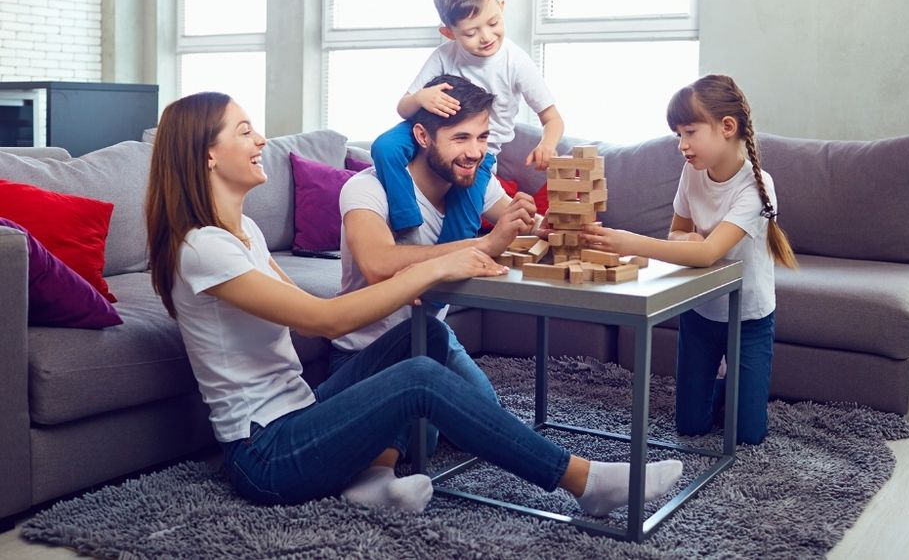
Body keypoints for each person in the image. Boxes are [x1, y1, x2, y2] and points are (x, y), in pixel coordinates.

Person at [144, 91, 682, 516]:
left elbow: (306, 304)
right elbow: (324, 319)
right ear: (207, 153)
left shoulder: (244, 233)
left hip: (300, 412)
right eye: (244, 131)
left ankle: (369, 479)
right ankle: (583, 481)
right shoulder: (203, 248)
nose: (262, 139)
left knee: (418, 338)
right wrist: (432, 267)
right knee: (420, 378)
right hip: (264, 454)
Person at [580, 74, 798, 445]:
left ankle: (739, 387)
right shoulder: (691, 173)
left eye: (690, 132)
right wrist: (689, 239)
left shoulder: (757, 185)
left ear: (727, 127)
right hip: (700, 312)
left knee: (747, 434)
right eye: (678, 134)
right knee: (691, 426)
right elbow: (677, 233)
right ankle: (724, 386)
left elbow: (708, 252)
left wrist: (631, 241)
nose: (681, 145)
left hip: (748, 317)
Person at [333, 74, 537, 451]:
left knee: (485, 417)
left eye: (482, 137)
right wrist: (487, 242)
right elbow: (378, 263)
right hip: (366, 350)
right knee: (421, 442)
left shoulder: (475, 180)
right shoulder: (367, 187)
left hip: (434, 337)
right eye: (460, 138)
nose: (475, 151)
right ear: (423, 137)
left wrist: (552, 225)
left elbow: (523, 231)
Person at [371, 0, 564, 244]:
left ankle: (453, 256)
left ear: (501, 6)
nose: (486, 37)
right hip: (427, 135)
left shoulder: (516, 62)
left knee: (463, 212)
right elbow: (403, 108)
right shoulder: (442, 56)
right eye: (471, 32)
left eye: (493, 23)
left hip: (478, 153)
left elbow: (553, 118)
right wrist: (420, 98)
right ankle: (407, 221)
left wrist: (547, 144)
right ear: (449, 33)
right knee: (384, 147)